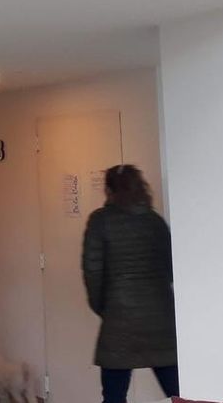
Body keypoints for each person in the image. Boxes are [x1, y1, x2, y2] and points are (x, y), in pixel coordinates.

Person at [81, 164, 178, 403]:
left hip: (119, 319)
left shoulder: (100, 221)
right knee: (179, 394)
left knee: (114, 396)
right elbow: (171, 268)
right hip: (161, 317)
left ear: (109, 190)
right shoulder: (155, 221)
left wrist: (105, 308)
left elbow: (92, 272)